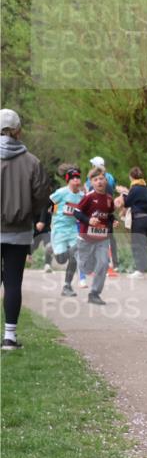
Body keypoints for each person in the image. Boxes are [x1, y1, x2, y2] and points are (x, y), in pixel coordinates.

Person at [0, 109, 50, 350]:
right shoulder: (32, 162)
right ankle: (9, 336)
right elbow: (42, 197)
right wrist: (29, 211)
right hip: (19, 232)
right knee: (12, 283)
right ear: (18, 130)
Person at [73, 168, 118, 305]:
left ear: (106, 180)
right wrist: (88, 221)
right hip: (86, 238)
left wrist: (113, 221)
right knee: (85, 267)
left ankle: (94, 294)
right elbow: (76, 213)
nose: (99, 182)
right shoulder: (89, 197)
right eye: (95, 179)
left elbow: (109, 215)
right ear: (91, 182)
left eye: (101, 179)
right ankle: (76, 255)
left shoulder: (109, 199)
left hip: (102, 239)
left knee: (104, 264)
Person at [49, 166, 86, 297]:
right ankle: (52, 249)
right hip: (59, 229)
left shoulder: (82, 196)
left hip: (72, 230)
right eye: (73, 178)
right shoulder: (61, 192)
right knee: (61, 260)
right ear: (68, 181)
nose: (76, 180)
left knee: (75, 255)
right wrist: (52, 212)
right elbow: (50, 201)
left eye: (78, 177)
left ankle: (67, 286)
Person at [121, 167, 147, 276]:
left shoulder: (134, 188)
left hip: (139, 218)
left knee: (137, 243)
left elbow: (127, 203)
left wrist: (124, 193)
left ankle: (139, 270)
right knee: (143, 243)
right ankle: (143, 267)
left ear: (131, 177)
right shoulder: (145, 188)